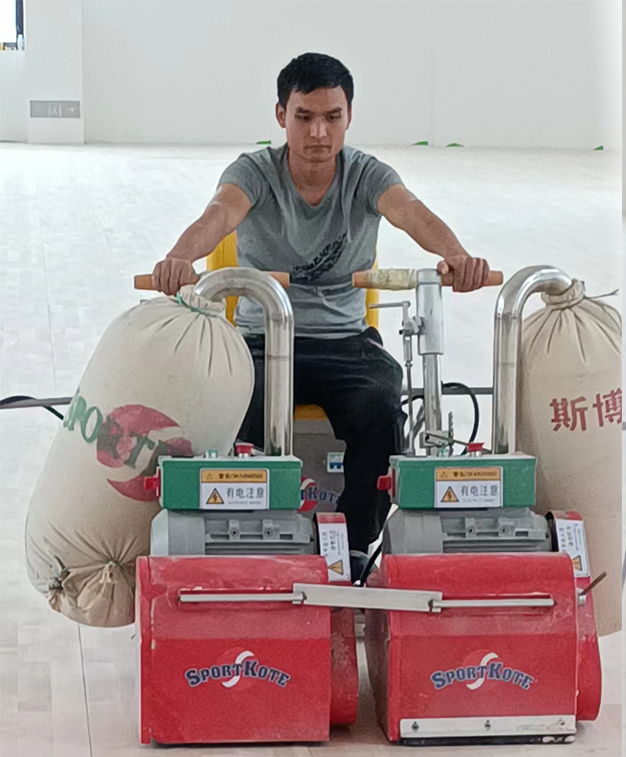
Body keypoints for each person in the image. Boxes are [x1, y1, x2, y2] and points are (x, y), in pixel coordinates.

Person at [152, 52, 491, 573]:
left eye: (332, 117)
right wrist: (179, 257)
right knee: (234, 406)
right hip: (263, 340)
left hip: (345, 344)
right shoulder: (254, 172)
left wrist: (457, 256)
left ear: (349, 116)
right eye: (304, 116)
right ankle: (249, 541)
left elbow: (412, 213)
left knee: (382, 407)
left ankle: (352, 548)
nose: (318, 132)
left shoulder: (367, 175)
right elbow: (219, 215)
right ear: (280, 115)